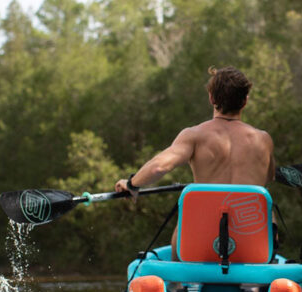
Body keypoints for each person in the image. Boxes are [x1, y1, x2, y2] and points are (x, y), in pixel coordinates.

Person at [115, 66, 275, 261]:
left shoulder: (195, 135)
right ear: (245, 101)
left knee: (185, 220)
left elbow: (159, 167)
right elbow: (269, 178)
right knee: (269, 213)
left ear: (211, 98)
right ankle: (261, 285)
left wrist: (132, 184)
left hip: (200, 245)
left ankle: (177, 286)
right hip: (252, 246)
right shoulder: (264, 140)